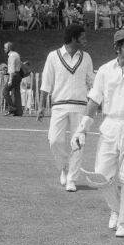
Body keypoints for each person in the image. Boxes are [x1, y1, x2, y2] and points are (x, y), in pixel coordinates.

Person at [71, 29, 124, 238]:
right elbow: (94, 100)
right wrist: (81, 128)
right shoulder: (104, 70)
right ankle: (117, 209)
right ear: (117, 48)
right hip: (110, 123)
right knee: (101, 173)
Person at [37, 24, 95, 192]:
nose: (85, 40)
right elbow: (46, 83)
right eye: (82, 37)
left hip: (80, 107)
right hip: (59, 106)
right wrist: (41, 106)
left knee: (78, 143)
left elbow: (92, 82)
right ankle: (64, 167)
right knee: (54, 141)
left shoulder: (86, 57)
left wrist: (98, 98)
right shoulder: (53, 56)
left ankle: (72, 179)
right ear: (73, 38)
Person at [3, 42, 23, 116]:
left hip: (14, 76)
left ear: (9, 48)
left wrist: (10, 80)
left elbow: (11, 69)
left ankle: (11, 108)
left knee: (5, 90)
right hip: (18, 75)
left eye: (5, 48)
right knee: (16, 93)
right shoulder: (17, 54)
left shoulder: (11, 56)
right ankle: (19, 112)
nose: (4, 49)